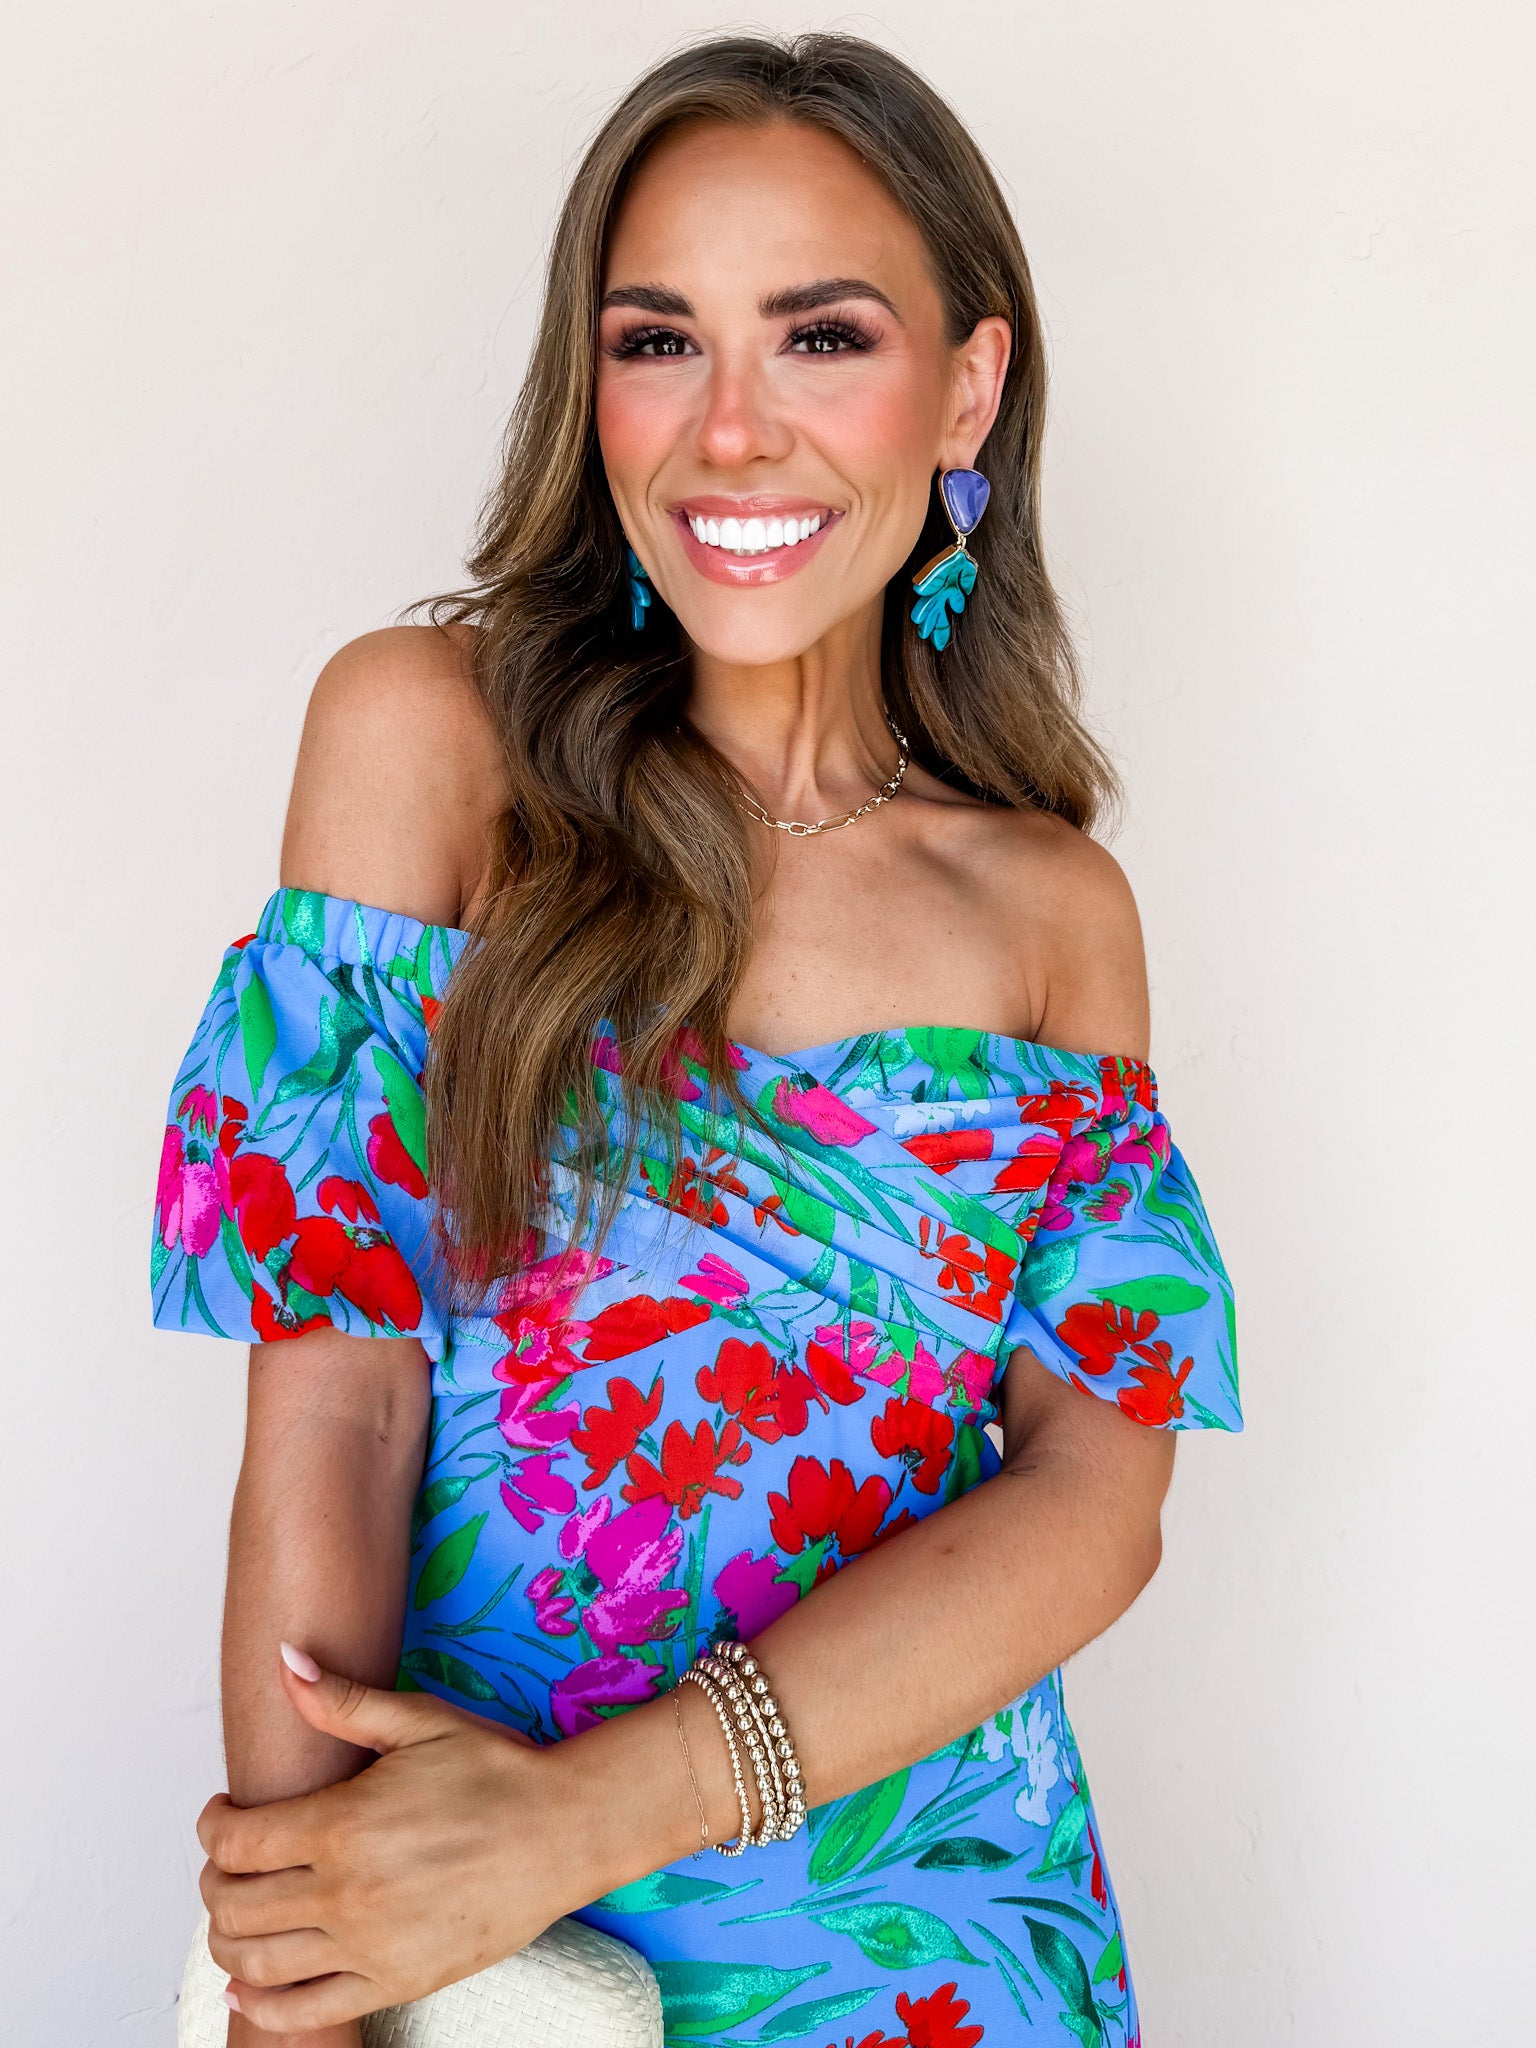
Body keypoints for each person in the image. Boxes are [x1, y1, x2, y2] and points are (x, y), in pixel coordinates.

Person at [151, 31, 1241, 2048]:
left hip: (948, 1965)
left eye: (820, 337)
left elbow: (1094, 1496)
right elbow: (335, 1412)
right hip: (497, 1980)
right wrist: (301, 1978)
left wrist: (586, 1814)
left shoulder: (1051, 913)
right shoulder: (431, 742)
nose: (732, 433)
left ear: (969, 387)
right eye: (660, 342)